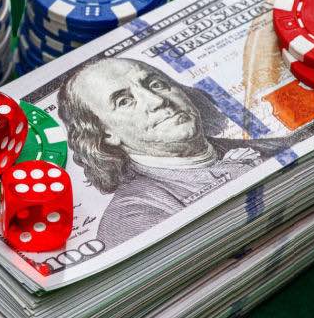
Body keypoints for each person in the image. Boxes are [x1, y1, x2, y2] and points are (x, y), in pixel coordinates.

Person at [57, 57, 292, 249]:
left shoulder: (274, 146)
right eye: (125, 101)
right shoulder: (132, 215)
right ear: (106, 134)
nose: (157, 100)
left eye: (156, 84)